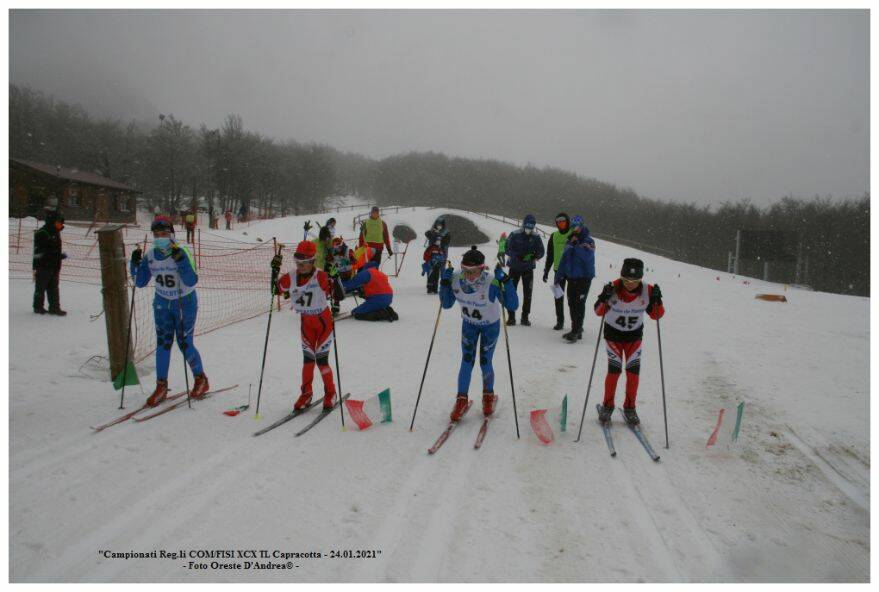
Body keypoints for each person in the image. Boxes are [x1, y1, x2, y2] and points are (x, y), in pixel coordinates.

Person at [129, 215, 209, 406]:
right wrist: (134, 263)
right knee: (163, 344)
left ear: (172, 234)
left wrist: (180, 261)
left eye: (164, 233)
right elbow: (139, 282)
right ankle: (161, 386)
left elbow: (191, 280)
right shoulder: (151, 255)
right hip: (162, 303)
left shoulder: (183, 250)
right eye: (156, 234)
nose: (160, 237)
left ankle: (201, 379)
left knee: (184, 342)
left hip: (184, 302)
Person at [440, 246, 518, 421]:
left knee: (484, 361)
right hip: (469, 325)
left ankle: (488, 396)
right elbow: (445, 304)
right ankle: (461, 400)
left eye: (473, 271)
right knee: (467, 361)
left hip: (490, 326)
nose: (468, 276)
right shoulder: (456, 280)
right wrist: (444, 284)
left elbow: (512, 306)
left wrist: (507, 282)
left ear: (482, 269)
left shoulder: (491, 282)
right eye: (465, 270)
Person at [271, 241, 345, 411]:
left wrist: (335, 276)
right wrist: (274, 271)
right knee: (308, 360)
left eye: (304, 263)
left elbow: (339, 295)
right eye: (298, 263)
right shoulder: (291, 277)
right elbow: (275, 291)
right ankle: (306, 393)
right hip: (306, 323)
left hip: (323, 323)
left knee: (321, 359)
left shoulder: (320, 276)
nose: (301, 267)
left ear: (313, 261)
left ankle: (331, 393)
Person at [594, 258, 664, 425]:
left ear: (641, 279)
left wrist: (657, 301)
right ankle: (607, 406)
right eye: (626, 280)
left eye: (635, 281)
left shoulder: (648, 290)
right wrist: (604, 297)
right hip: (613, 336)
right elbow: (598, 311)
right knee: (614, 371)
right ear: (621, 277)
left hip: (634, 338)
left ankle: (630, 407)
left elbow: (657, 315)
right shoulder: (613, 288)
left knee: (633, 373)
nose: (630, 284)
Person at [553, 216, 596, 343]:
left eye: (576, 227)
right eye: (572, 227)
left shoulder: (589, 241)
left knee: (579, 303)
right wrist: (558, 275)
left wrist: (576, 245)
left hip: (584, 278)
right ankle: (575, 329)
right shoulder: (569, 241)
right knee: (571, 303)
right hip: (571, 277)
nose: (575, 229)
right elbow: (564, 259)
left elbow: (587, 257)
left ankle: (577, 330)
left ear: (581, 226)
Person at [504, 214, 544, 326]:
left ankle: (525, 317)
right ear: (523, 224)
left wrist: (534, 255)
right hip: (514, 268)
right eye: (527, 226)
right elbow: (506, 248)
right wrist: (517, 255)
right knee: (511, 292)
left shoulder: (536, 237)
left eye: (531, 227)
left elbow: (541, 251)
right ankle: (511, 316)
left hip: (528, 269)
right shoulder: (514, 234)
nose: (529, 229)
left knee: (528, 293)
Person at [340, 256, 398, 321]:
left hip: (377, 299)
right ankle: (388, 311)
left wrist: (339, 284)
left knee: (356, 312)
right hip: (389, 297)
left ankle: (382, 314)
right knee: (373, 307)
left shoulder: (366, 273)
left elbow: (351, 284)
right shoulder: (381, 274)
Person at [32, 209, 67, 316]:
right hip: (43, 265)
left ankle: (54, 308)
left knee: (53, 288)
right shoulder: (43, 233)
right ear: (52, 221)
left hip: (54, 265)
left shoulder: (55, 232)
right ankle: (38, 307)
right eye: (59, 222)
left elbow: (53, 250)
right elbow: (42, 251)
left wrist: (58, 257)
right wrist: (58, 256)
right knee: (41, 287)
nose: (60, 224)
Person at [542, 213, 573, 330]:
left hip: (572, 272)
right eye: (558, 222)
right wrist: (546, 271)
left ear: (567, 222)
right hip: (558, 272)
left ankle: (577, 324)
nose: (561, 224)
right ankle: (560, 321)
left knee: (573, 299)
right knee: (558, 297)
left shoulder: (573, 234)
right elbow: (550, 255)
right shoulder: (554, 236)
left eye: (563, 221)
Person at [422, 216, 450, 294]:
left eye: (440, 224)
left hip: (441, 253)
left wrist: (441, 243)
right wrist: (431, 235)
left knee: (439, 269)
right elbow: (428, 235)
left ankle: (437, 286)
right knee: (430, 268)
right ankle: (429, 286)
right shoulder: (433, 231)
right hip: (432, 252)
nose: (438, 225)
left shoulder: (446, 232)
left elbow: (447, 242)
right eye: (437, 224)